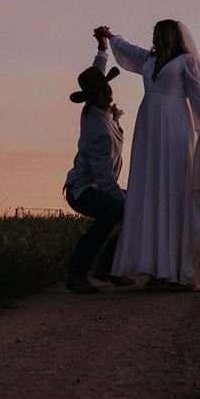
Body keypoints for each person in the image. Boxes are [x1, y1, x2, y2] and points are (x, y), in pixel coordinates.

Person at [95, 19, 200, 289]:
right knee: (151, 192)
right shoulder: (149, 61)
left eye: (158, 33)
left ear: (170, 35)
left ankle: (176, 271)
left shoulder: (187, 62)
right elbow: (128, 49)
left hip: (175, 127)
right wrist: (110, 37)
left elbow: (198, 97)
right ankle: (154, 269)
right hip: (149, 129)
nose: (154, 38)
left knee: (174, 190)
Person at [62, 43, 136, 293]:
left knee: (139, 207)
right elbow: (104, 179)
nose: (105, 91)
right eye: (98, 91)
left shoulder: (103, 111)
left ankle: (110, 267)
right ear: (90, 99)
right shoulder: (98, 130)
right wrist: (126, 202)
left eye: (105, 86)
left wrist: (102, 49)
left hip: (98, 186)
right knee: (116, 210)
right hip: (82, 189)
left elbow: (97, 71)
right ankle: (76, 273)